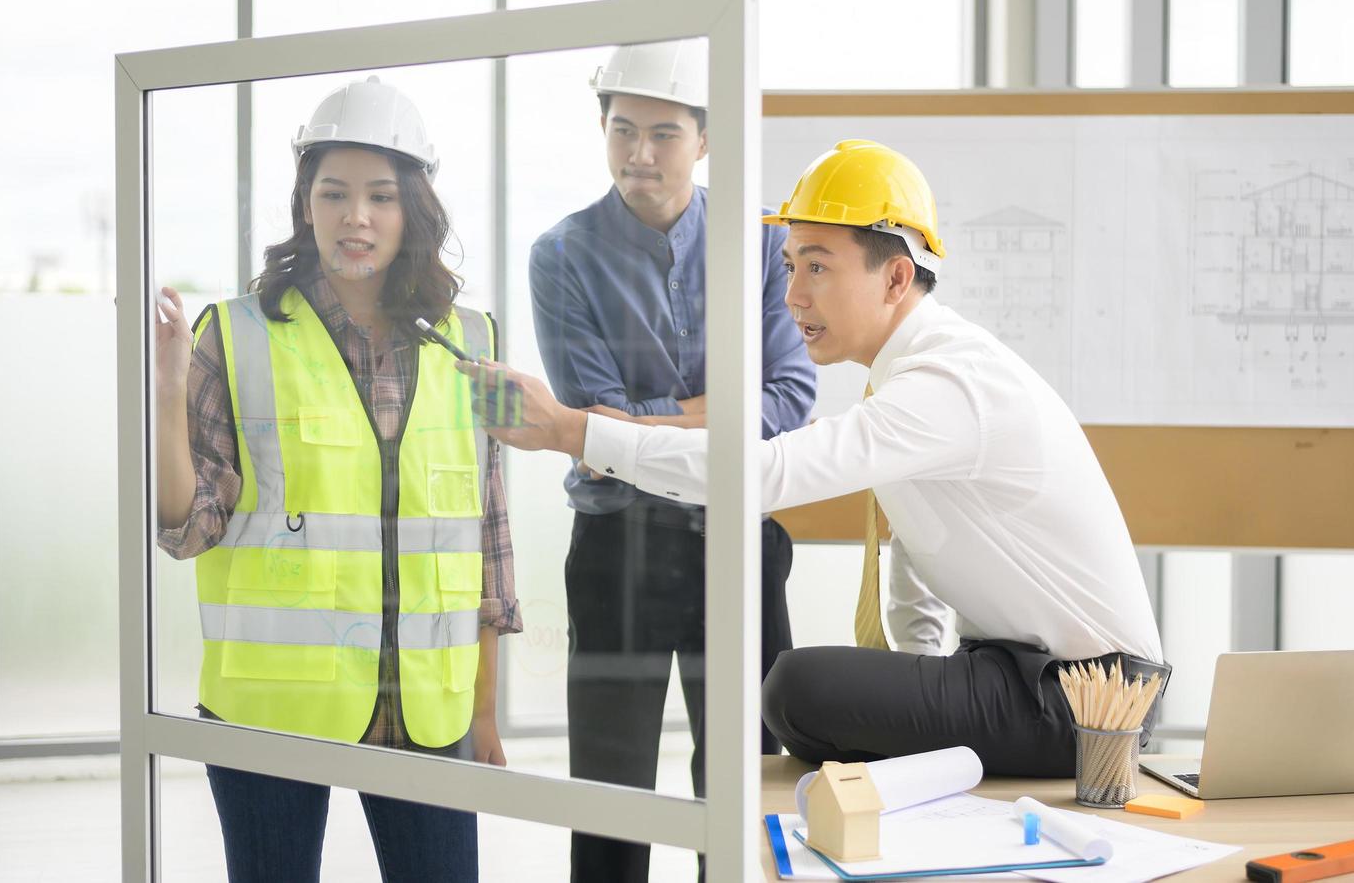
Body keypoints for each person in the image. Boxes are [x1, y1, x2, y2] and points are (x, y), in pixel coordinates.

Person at [468, 139, 1166, 779]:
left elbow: (764, 473)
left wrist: (571, 431)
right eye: (789, 266)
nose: (794, 295)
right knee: (813, 694)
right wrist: (919, 687)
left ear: (896, 279)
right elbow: (920, 562)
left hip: (1093, 700)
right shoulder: (911, 373)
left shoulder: (948, 382)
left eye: (818, 268)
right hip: (1016, 673)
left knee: (797, 688)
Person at [155, 76, 519, 883]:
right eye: (335, 193)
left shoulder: (477, 339)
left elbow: (488, 530)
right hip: (270, 709)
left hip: (427, 704)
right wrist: (168, 393)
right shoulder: (232, 334)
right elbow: (187, 527)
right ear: (305, 204)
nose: (357, 217)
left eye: (381, 196)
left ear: (412, 209)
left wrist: (484, 709)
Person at [527, 39, 815, 881]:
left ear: (705, 139)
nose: (639, 154)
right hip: (619, 547)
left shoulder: (763, 245)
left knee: (747, 778)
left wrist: (632, 425)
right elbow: (594, 424)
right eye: (622, 130)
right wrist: (709, 411)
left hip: (737, 537)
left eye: (663, 134)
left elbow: (788, 402)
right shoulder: (563, 255)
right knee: (610, 789)